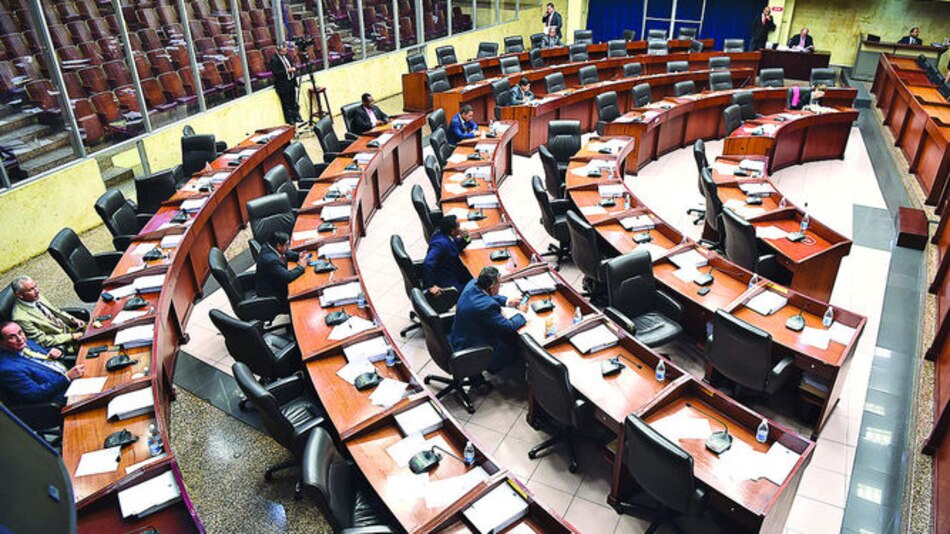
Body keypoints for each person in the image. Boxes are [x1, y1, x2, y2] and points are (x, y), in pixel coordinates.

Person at [449, 267, 526, 371]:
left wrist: (507, 301)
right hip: (473, 348)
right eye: (499, 285)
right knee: (518, 348)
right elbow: (508, 326)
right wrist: (522, 313)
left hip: (458, 337)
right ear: (491, 287)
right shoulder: (487, 307)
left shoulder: (473, 284)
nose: (500, 287)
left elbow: (486, 296)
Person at [0, 321, 84, 405]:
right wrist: (67, 377)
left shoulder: (27, 343)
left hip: (73, 377)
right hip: (62, 397)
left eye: (20, 332)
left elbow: (42, 357)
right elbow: (35, 394)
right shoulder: (8, 369)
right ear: (1, 343)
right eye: (12, 337)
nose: (20, 338)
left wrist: (57, 351)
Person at [10, 276, 85, 355]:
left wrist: (73, 320)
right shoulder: (20, 317)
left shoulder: (35, 297)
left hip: (73, 329)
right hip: (65, 343)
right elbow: (42, 340)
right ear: (19, 295)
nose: (37, 291)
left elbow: (56, 311)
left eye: (35, 286)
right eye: (30, 289)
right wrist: (71, 336)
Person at [256, 232, 312, 312]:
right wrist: (301, 266)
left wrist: (298, 255)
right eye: (286, 245)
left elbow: (285, 252)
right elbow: (288, 277)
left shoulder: (268, 246)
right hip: (273, 293)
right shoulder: (271, 261)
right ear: (278, 245)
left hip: (272, 283)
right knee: (304, 294)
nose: (288, 247)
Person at [423, 215, 472, 296]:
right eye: (458, 226)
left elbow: (457, 245)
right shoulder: (440, 244)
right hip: (446, 281)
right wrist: (430, 286)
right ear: (452, 231)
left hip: (454, 272)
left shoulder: (446, 236)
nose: (460, 229)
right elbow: (428, 263)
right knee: (476, 289)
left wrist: (466, 238)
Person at [268, 42, 302, 124]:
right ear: (278, 50)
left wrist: (293, 68)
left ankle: (296, 116)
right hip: (283, 84)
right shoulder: (274, 59)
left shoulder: (286, 56)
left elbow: (291, 64)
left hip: (291, 82)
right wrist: (287, 70)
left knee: (293, 100)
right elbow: (276, 73)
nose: (284, 53)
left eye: (285, 51)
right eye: (283, 51)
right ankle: (290, 120)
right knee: (286, 103)